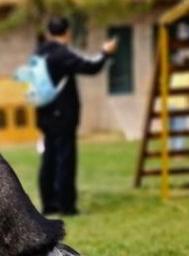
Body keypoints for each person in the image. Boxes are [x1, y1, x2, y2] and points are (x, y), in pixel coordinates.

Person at [35, 16, 119, 216]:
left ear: (48, 32)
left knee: (49, 159)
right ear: (68, 33)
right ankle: (67, 206)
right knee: (65, 158)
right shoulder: (62, 54)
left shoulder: (38, 53)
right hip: (63, 115)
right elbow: (91, 66)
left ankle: (49, 203)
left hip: (44, 113)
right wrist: (105, 53)